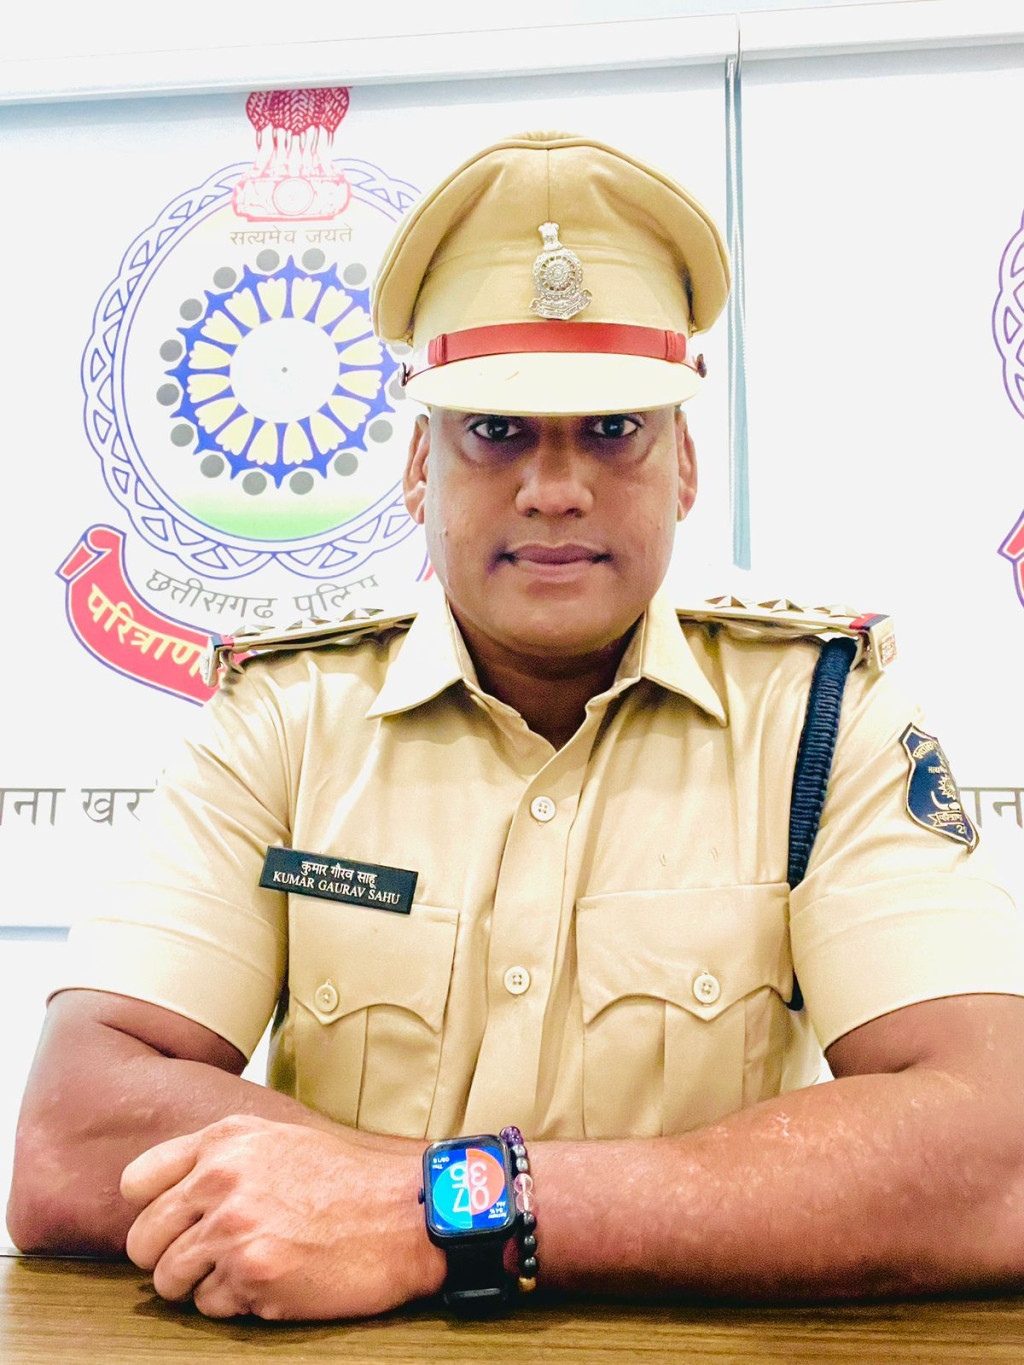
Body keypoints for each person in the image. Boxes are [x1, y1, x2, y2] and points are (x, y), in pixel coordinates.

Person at [9, 131, 1024, 1320]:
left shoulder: (820, 716)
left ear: (684, 466)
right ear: (416, 469)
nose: (555, 489)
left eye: (613, 429)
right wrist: (469, 1205)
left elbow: (994, 1149)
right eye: (494, 430)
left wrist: (434, 1212)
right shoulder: (283, 716)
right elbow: (72, 1132)